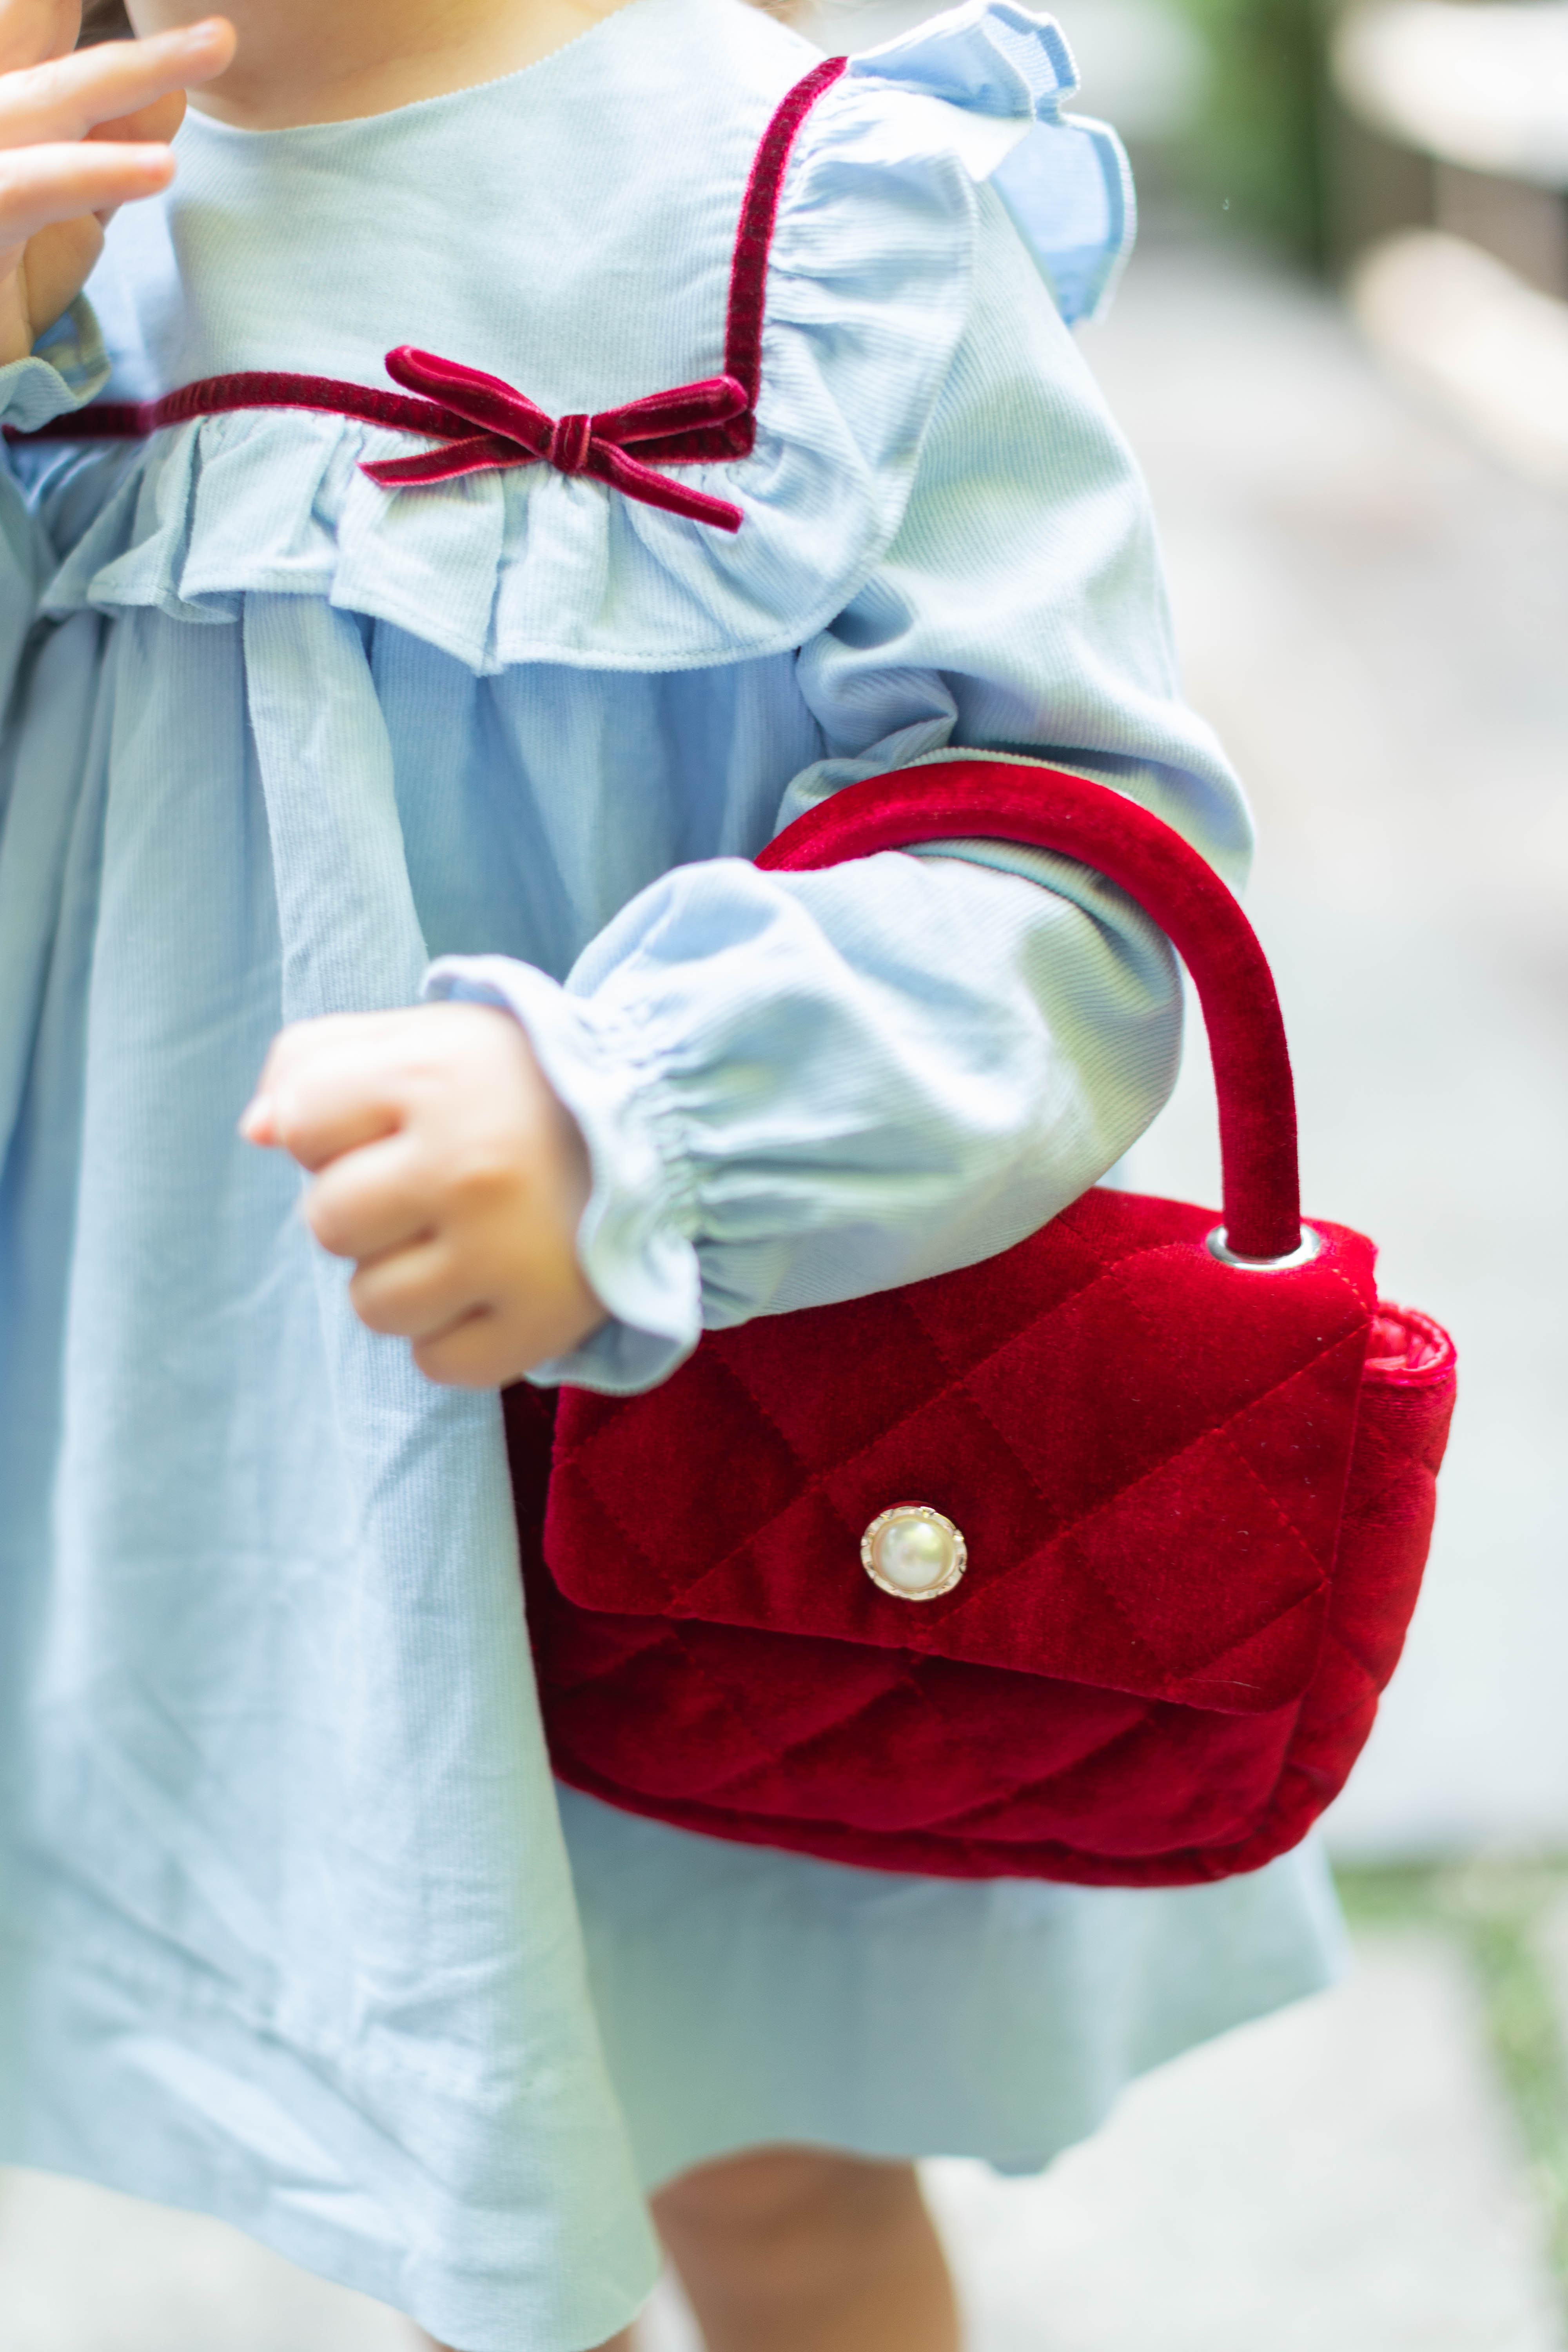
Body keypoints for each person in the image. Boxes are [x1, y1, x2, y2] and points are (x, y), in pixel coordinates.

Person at [0, 0, 1346, 2343]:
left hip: (720, 1461)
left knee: (774, 2184)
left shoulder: (812, 200)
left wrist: (644, 1106)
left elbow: (1084, 878)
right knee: (468, 2200)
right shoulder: (68, 234)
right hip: (238, 1485)